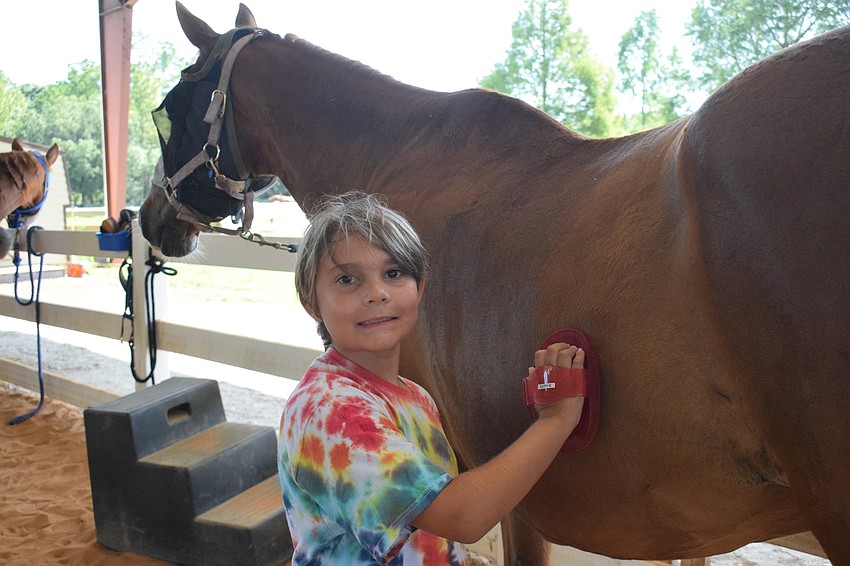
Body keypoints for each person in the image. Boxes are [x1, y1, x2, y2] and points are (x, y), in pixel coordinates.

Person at [278, 191, 586, 565]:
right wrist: (556, 420)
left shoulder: (413, 395)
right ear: (311, 303)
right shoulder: (330, 410)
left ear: (419, 288)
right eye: (347, 280)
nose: (376, 294)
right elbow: (461, 515)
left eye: (393, 274)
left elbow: (426, 524)